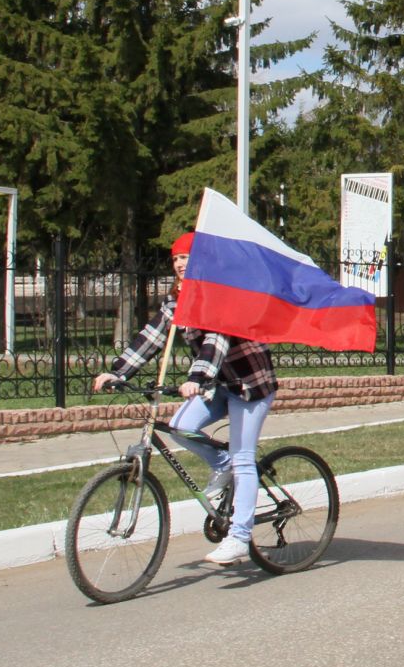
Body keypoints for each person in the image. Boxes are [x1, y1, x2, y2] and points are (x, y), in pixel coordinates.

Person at [92, 232, 277, 566]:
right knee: (179, 426)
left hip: (250, 384)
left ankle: (239, 537)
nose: (179, 264)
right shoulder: (177, 299)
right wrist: (118, 372)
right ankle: (222, 466)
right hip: (218, 384)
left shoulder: (221, 296)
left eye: (187, 257)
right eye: (176, 258)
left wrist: (197, 377)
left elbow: (216, 340)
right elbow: (151, 337)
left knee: (244, 458)